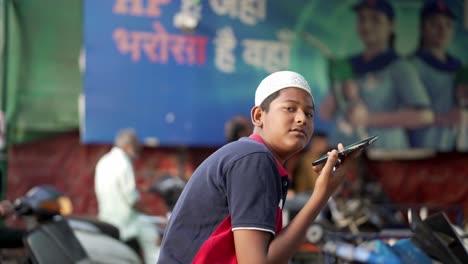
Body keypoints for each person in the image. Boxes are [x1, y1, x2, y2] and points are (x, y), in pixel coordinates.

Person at [158, 70, 356, 263]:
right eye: (290, 108)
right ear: (258, 116)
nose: (302, 118)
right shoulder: (254, 158)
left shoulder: (257, 158)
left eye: (309, 114)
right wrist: (321, 195)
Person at [320, 0, 434, 150]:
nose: (367, 26)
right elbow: (325, 114)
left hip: (385, 153)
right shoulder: (348, 66)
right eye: (362, 19)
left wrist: (368, 119)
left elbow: (425, 116)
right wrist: (340, 90)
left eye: (375, 19)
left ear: (391, 25)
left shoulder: (399, 67)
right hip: (343, 151)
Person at [94, 128, 159, 264]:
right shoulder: (123, 163)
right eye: (136, 145)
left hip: (107, 219)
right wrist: (150, 214)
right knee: (153, 237)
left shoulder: (104, 161)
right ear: (127, 146)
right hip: (125, 224)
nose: (138, 148)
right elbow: (132, 200)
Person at [408, 0, 463, 151]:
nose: (442, 30)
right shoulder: (410, 66)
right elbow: (406, 114)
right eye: (435, 24)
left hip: (454, 145)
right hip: (420, 147)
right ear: (422, 28)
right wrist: (444, 119)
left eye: (447, 25)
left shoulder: (458, 67)